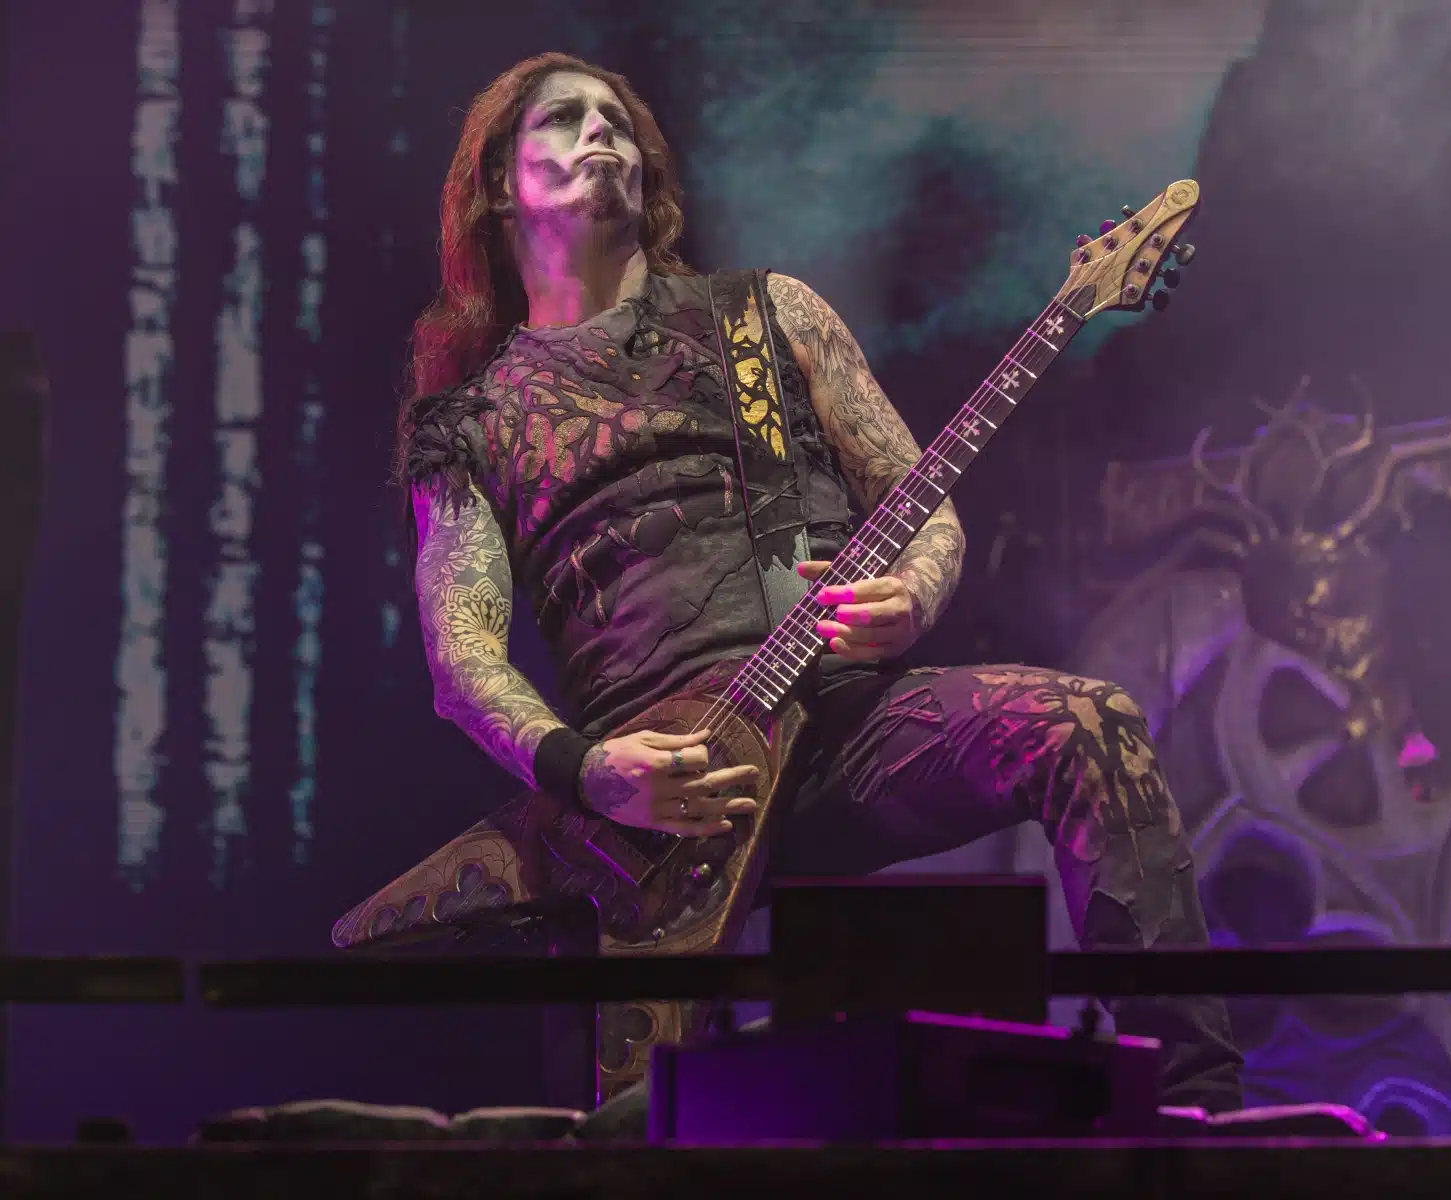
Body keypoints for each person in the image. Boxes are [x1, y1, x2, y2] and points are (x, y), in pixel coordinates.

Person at [390, 51, 1242, 1113]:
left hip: (848, 736)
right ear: (495, 185)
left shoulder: (769, 315)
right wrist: (589, 770)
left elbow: (924, 505)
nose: (601, 131)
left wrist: (914, 594)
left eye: (617, 118)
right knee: (632, 1131)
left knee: (1086, 725)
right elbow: (461, 658)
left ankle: (1205, 1109)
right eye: (564, 118)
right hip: (662, 811)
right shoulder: (467, 425)